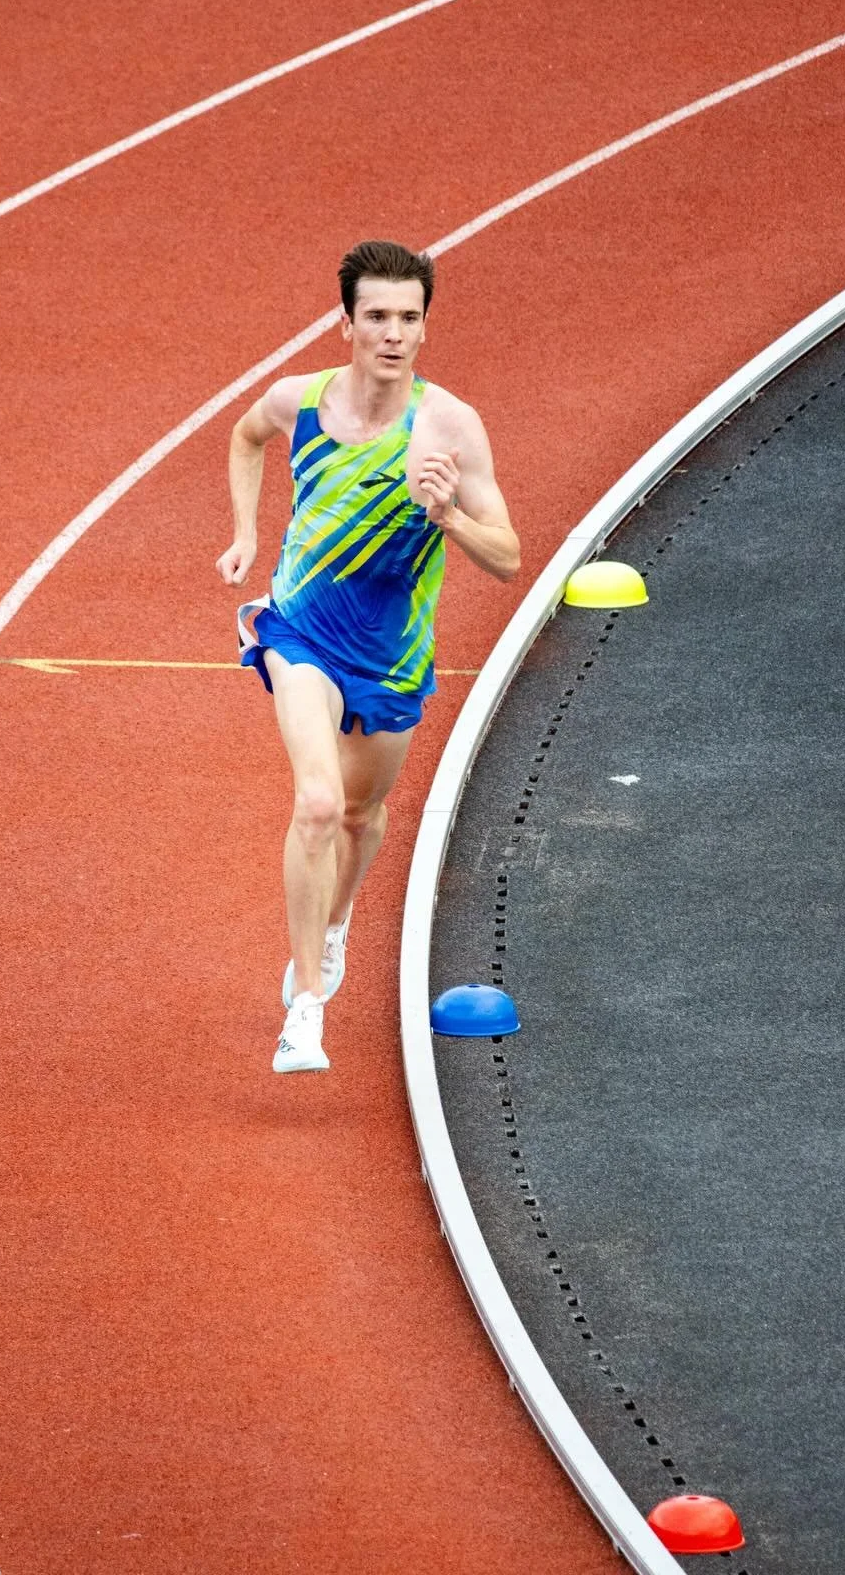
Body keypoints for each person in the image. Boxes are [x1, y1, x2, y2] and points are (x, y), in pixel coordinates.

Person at [216, 239, 520, 1072]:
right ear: (347, 321)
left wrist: (448, 512)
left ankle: (337, 919)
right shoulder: (299, 401)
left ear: (425, 328)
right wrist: (246, 533)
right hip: (299, 631)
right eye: (377, 316)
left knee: (359, 815)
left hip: (388, 660)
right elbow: (245, 437)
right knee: (316, 802)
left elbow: (509, 556)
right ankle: (306, 1007)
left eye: (409, 319)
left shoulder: (450, 427)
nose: (393, 333)